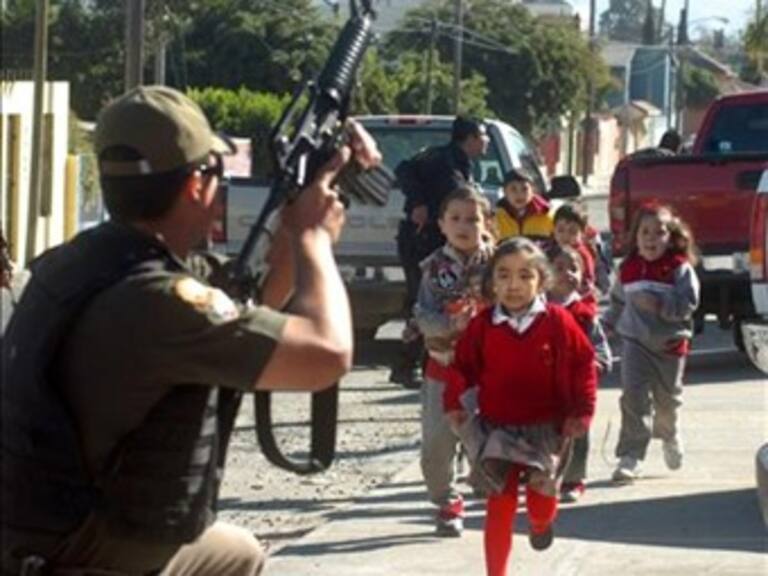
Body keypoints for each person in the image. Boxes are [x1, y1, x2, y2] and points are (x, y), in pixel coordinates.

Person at [0, 85, 381, 575]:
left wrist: (295, 217)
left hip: (35, 525)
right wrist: (314, 238)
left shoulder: (78, 263)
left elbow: (255, 305)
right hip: (77, 540)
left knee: (234, 549)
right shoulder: (161, 302)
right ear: (194, 186)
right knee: (236, 557)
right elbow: (326, 355)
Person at [445, 237, 597, 576]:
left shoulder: (558, 321)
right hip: (497, 427)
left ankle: (541, 524)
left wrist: (581, 411)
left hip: (547, 427)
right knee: (500, 504)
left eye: (525, 275)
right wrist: (454, 401)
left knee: (541, 505)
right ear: (491, 282)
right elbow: (462, 367)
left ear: (542, 281)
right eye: (503, 275)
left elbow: (583, 364)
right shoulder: (483, 325)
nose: (513, 285)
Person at [413, 185, 494, 537]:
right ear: (442, 225)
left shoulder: (500, 265)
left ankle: (488, 482)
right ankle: (446, 500)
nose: (464, 225)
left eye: (473, 219)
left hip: (488, 371)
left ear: (486, 222)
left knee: (485, 438)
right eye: (456, 218)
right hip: (442, 367)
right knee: (436, 442)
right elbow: (422, 313)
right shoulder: (433, 267)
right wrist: (450, 324)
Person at [603, 203, 700, 483]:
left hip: (669, 345)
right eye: (645, 232)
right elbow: (618, 302)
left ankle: (669, 433)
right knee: (633, 398)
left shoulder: (678, 269)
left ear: (670, 237)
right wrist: (608, 325)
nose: (651, 239)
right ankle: (631, 456)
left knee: (667, 401)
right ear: (635, 236)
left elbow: (688, 304)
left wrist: (660, 305)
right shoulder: (629, 269)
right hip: (635, 343)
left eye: (659, 233)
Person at [391, 116, 490, 389]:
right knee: (423, 300)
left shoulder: (462, 165)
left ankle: (424, 362)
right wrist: (419, 202)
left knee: (452, 299)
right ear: (470, 138)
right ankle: (407, 364)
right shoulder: (442, 160)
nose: (487, 141)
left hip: (446, 243)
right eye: (483, 135)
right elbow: (402, 170)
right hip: (423, 241)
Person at [547, 246, 612, 503]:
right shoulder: (537, 310)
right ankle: (542, 478)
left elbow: (600, 348)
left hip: (575, 388)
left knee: (577, 434)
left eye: (573, 268)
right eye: (559, 268)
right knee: (544, 434)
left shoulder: (584, 315)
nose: (567, 274)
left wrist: (597, 364)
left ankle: (574, 479)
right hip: (545, 385)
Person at [493, 167, 553, 245]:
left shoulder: (548, 216)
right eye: (513, 189)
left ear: (533, 190)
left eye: (524, 189)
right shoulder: (497, 218)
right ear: (505, 192)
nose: (519, 194)